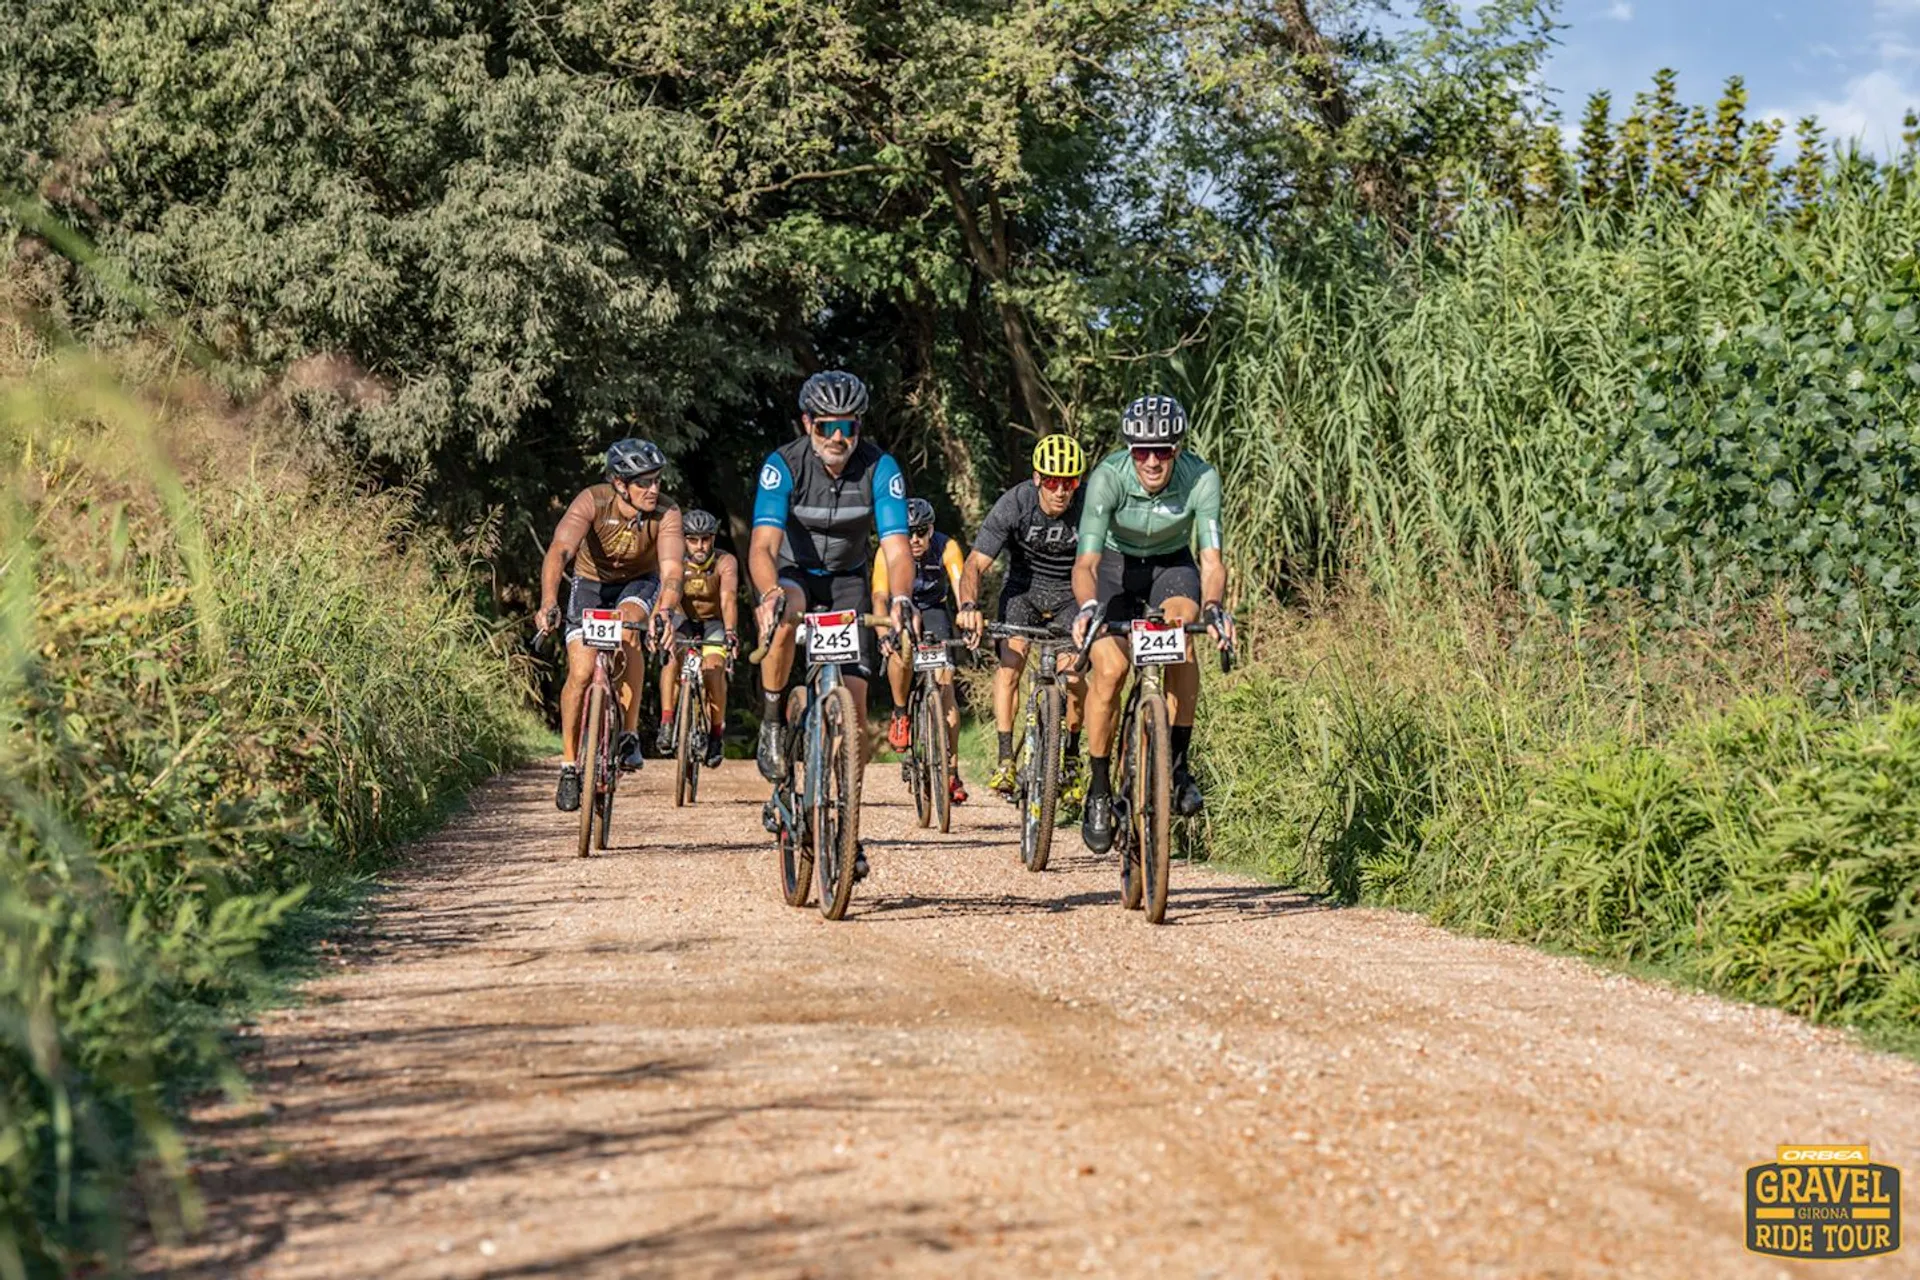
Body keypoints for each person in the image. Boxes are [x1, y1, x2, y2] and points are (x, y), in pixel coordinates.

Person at [749, 370, 917, 880]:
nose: (839, 438)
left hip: (847, 581)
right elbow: (762, 546)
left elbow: (896, 546)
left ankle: (849, 829)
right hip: (795, 575)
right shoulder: (784, 465)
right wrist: (770, 592)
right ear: (808, 424)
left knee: (856, 710)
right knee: (782, 621)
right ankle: (775, 721)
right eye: (827, 427)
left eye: (849, 426)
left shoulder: (880, 468)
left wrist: (903, 596)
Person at [1069, 396, 1235, 853]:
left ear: (1177, 450)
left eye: (1163, 450)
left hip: (1171, 567)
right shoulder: (1108, 477)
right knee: (1111, 670)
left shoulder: (1200, 478)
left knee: (1183, 633)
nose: (1152, 461)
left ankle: (1178, 766)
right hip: (1114, 568)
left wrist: (1216, 605)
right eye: (1142, 451)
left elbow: (1211, 560)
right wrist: (1086, 608)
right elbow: (1086, 563)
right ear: (1129, 450)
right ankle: (1100, 788)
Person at [538, 438, 686, 813]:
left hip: (639, 584)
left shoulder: (667, 513)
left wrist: (665, 610)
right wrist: (548, 602)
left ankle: (628, 735)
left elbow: (670, 572)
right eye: (643, 483)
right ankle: (570, 766)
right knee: (583, 671)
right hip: (589, 584)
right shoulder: (593, 500)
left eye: (657, 481)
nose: (654, 489)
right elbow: (560, 551)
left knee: (628, 630)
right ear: (620, 484)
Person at [956, 434, 1089, 805]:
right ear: (1037, 479)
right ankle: (1004, 759)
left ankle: (1073, 759)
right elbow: (975, 564)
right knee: (1010, 667)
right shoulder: (1014, 504)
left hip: (1071, 596)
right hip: (1023, 594)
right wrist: (968, 607)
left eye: (1070, 482)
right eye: (1052, 482)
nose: (1061, 491)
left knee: (1075, 678)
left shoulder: (1090, 505)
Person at [874, 496, 968, 805]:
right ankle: (901, 713)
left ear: (931, 530)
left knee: (945, 686)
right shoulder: (887, 552)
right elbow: (879, 597)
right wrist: (883, 633)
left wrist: (967, 617)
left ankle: (951, 772)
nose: (915, 539)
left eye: (922, 531)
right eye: (908, 531)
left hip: (933, 611)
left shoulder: (946, 547)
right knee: (899, 654)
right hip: (897, 610)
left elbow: (960, 586)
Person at [656, 508, 738, 769]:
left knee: (714, 673)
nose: (700, 546)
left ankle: (715, 735)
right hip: (683, 621)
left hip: (714, 623)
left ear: (713, 538)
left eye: (705, 539)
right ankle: (667, 722)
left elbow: (728, 598)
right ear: (684, 540)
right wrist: (661, 620)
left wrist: (730, 632)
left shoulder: (725, 562)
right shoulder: (676, 562)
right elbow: (668, 592)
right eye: (693, 539)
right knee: (670, 660)